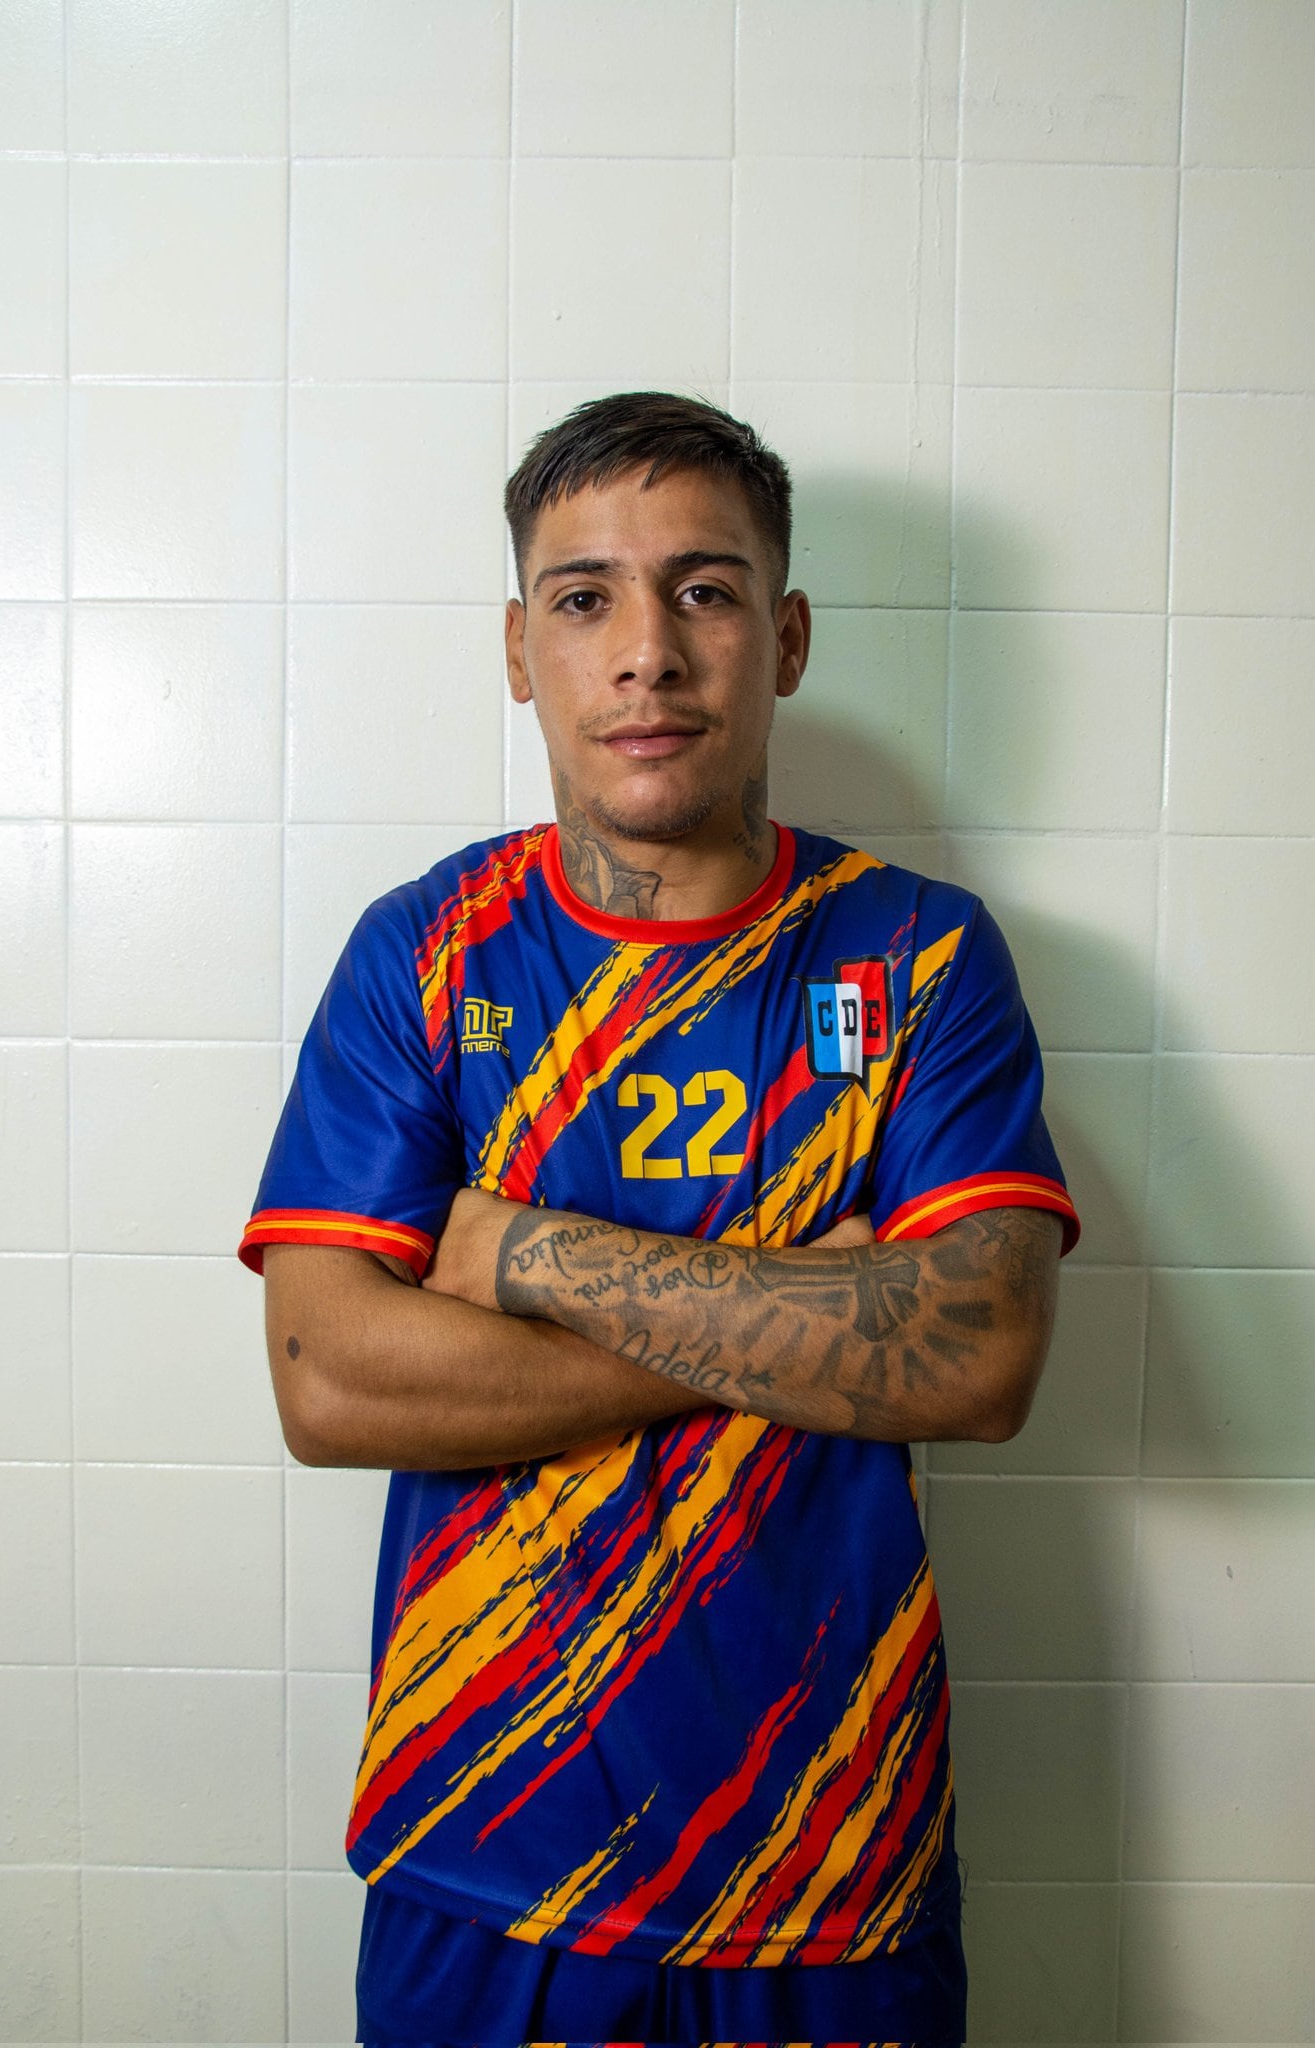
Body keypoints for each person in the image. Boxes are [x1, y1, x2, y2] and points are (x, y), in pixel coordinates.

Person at [240, 391, 1078, 2044]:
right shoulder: (424, 951)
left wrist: (514, 1257)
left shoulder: (919, 953)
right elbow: (329, 1383)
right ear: (517, 648)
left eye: (703, 589)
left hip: (834, 1857)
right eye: (583, 598)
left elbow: (977, 1359)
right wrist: (805, 1320)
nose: (646, 655)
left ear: (787, 637)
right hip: (485, 1847)